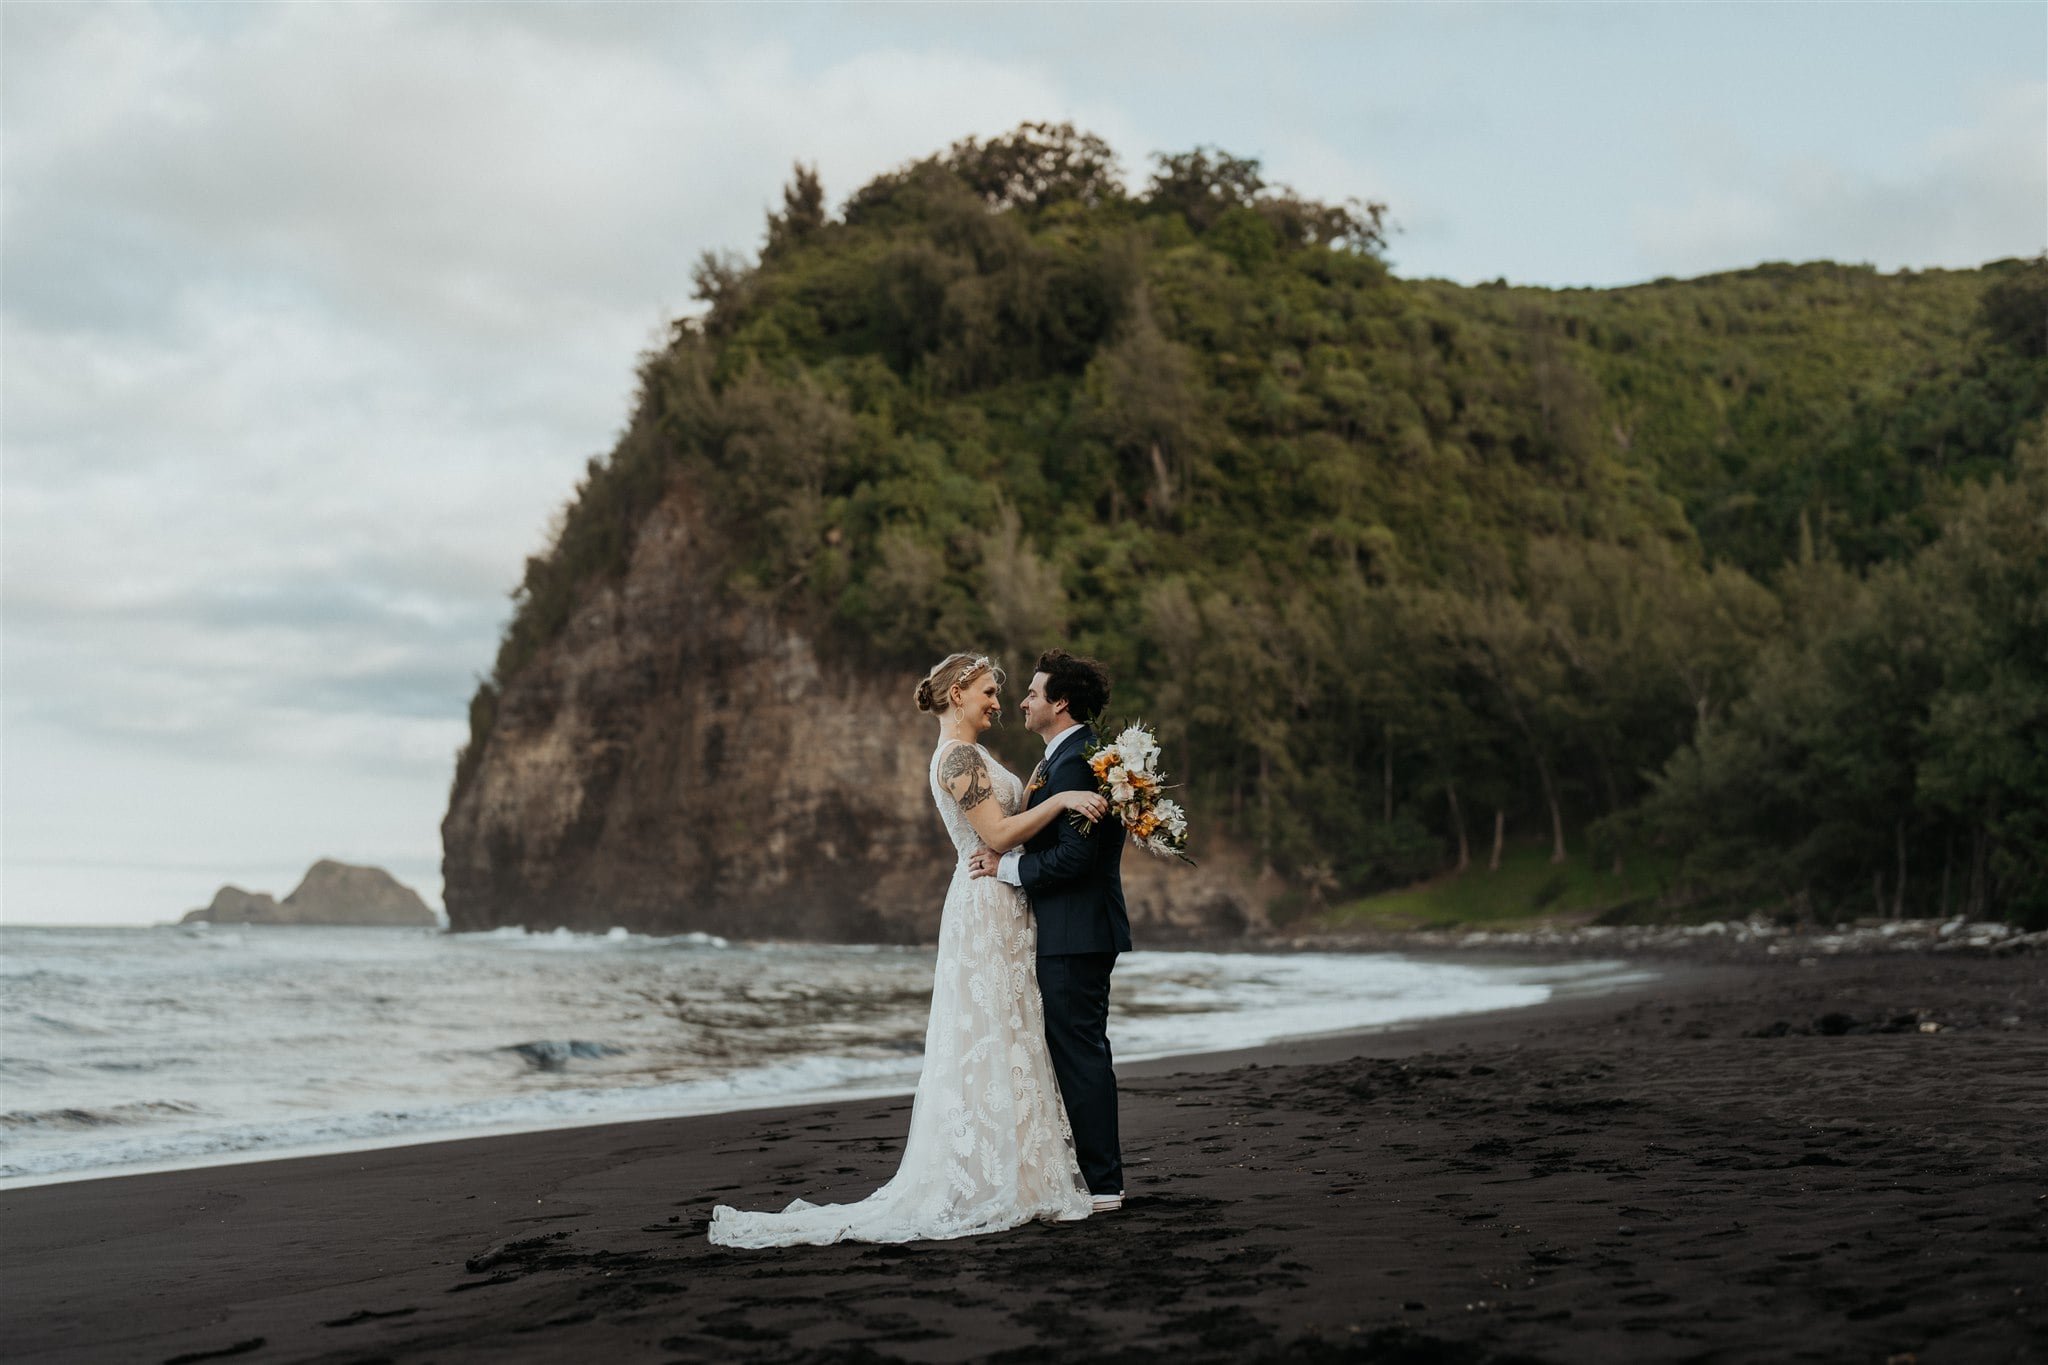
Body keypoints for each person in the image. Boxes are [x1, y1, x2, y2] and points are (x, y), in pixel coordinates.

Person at [707, 652, 1107, 1247]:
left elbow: (1006, 832)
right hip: (984, 901)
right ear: (957, 695)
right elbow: (996, 834)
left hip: (1005, 898)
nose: (998, 702)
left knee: (1012, 1031)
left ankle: (1022, 1174)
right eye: (989, 693)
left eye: (1001, 693)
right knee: (988, 1031)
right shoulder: (958, 758)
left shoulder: (976, 754)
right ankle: (991, 1179)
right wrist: (1061, 802)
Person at [967, 648, 1129, 1211]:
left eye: (1033, 693)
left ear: (1060, 703)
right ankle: (1095, 1178)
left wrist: (1002, 867)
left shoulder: (1078, 762)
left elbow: (1074, 859)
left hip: (1076, 931)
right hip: (1069, 930)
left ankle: (1106, 1185)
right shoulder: (1064, 759)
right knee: (1074, 1050)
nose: (1023, 700)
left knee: (1079, 1053)